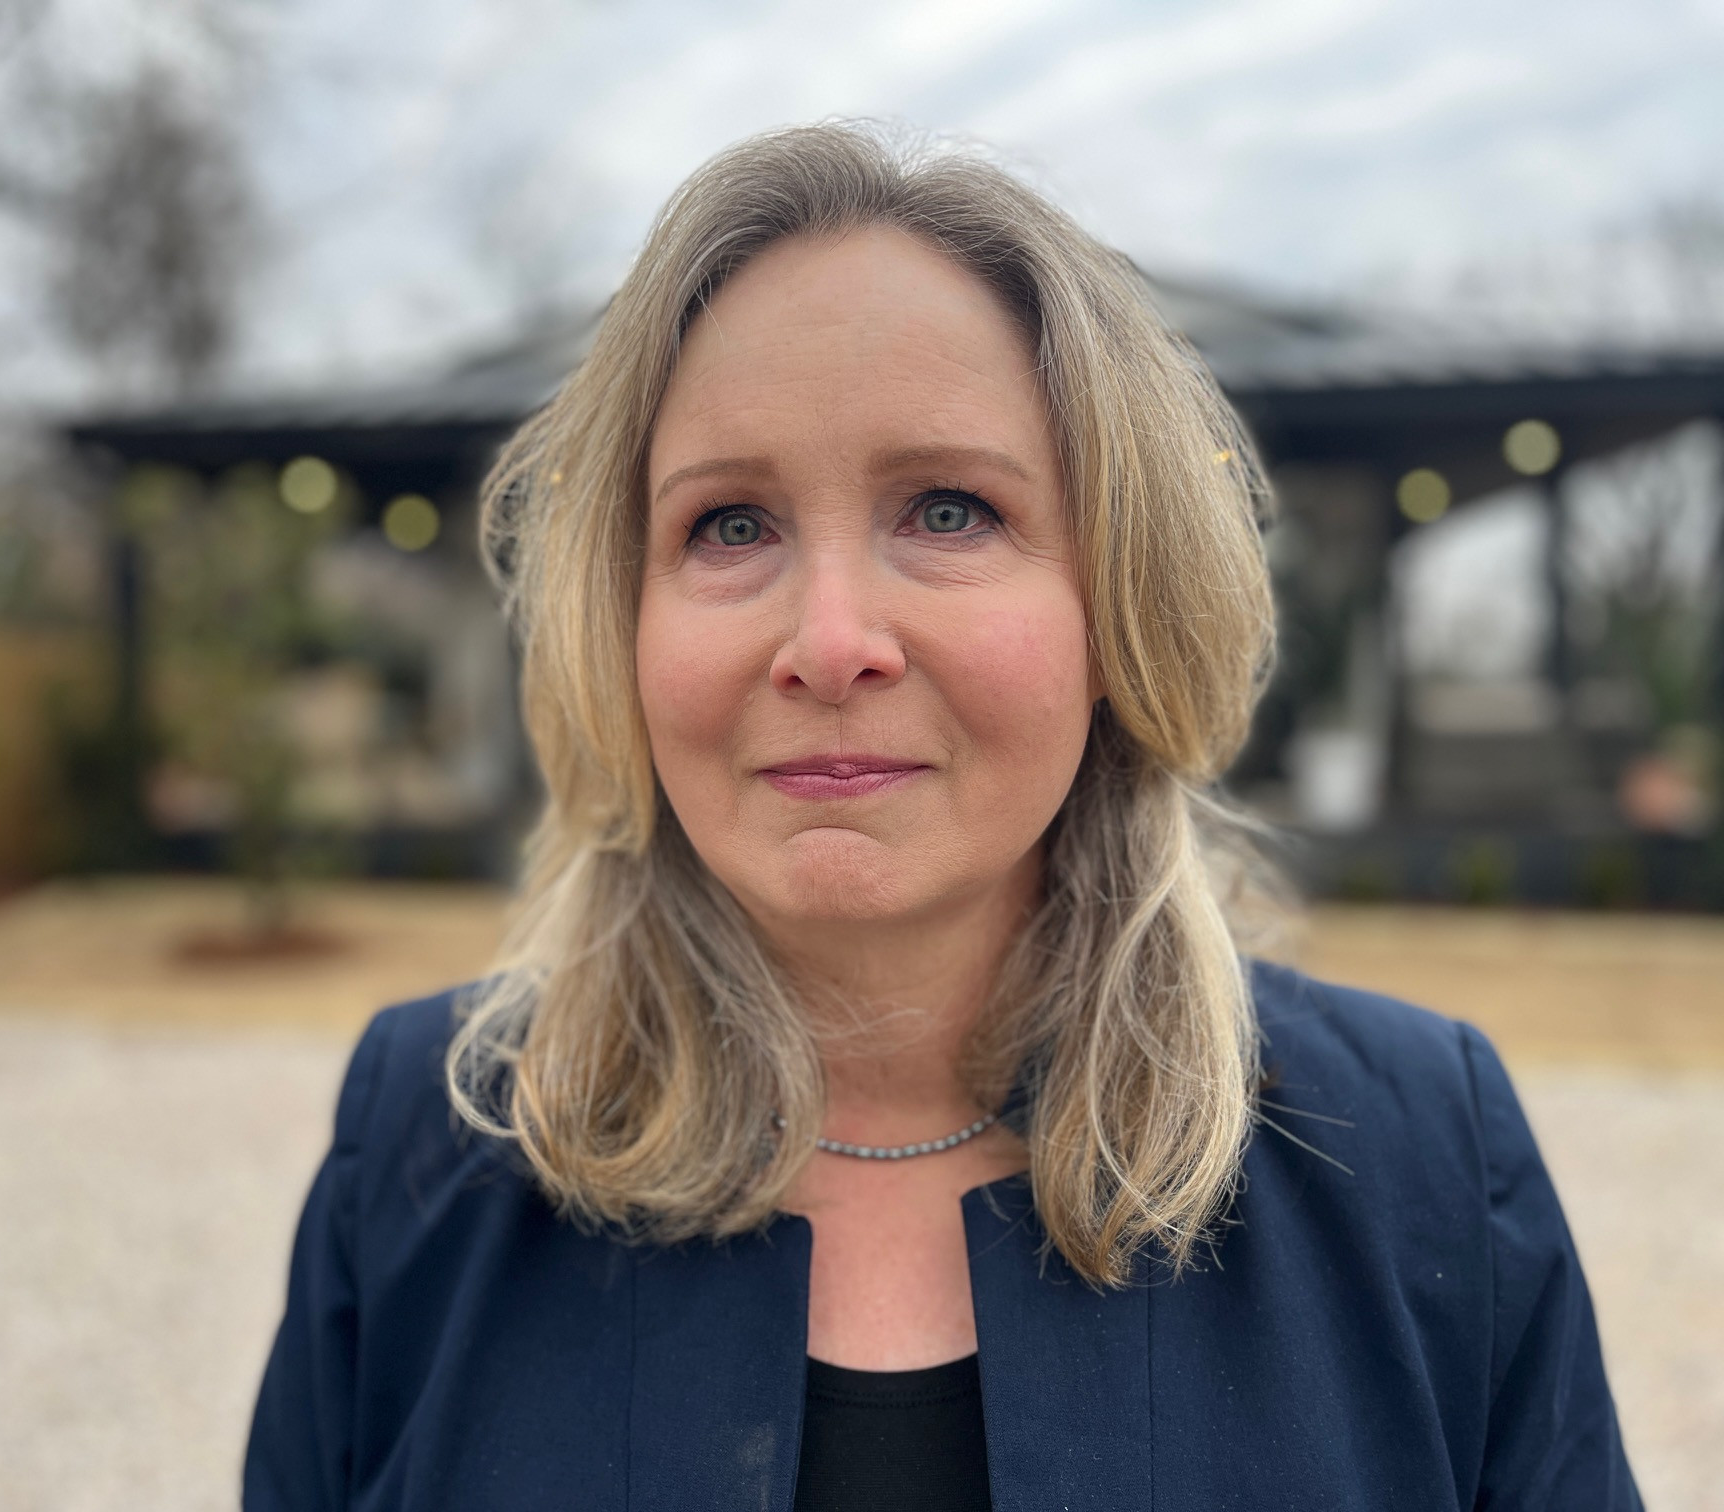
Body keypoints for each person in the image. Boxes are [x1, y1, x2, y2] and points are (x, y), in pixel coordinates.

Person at [244, 123, 1639, 1511]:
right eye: (729, 525)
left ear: (1119, 605)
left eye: (952, 510)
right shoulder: (426, 1150)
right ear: (621, 620)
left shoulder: (1420, 1161)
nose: (832, 639)